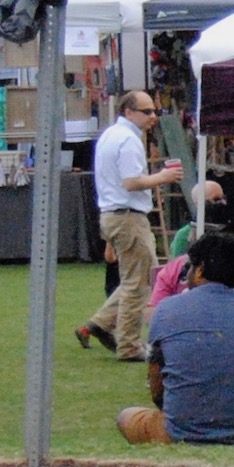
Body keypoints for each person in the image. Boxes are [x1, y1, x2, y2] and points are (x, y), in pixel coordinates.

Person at [117, 231, 234, 445]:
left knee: (127, 416)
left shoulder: (165, 310)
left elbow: (156, 384)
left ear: (200, 270)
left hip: (178, 431)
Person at [78, 92, 183, 363]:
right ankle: (129, 345)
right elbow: (131, 182)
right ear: (128, 112)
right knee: (139, 283)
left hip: (114, 214)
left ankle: (98, 325)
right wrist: (163, 176)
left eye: (154, 112)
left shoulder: (111, 135)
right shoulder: (128, 139)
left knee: (132, 279)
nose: (152, 117)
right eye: (146, 111)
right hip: (128, 215)